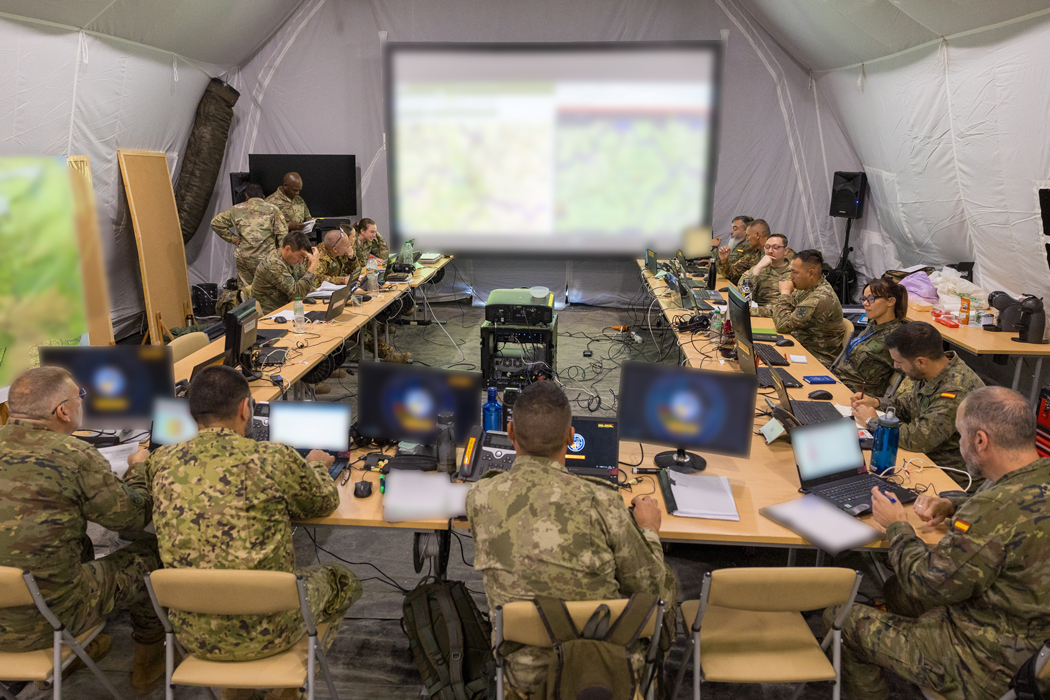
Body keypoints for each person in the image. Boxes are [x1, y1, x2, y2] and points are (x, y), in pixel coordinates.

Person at [144, 366, 362, 700]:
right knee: (341, 581)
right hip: (271, 631)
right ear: (246, 408)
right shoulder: (273, 458)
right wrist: (316, 463)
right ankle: (288, 687)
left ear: (191, 414)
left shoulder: (160, 461)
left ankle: (237, 691)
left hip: (193, 636)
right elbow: (324, 500)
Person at [825, 386, 1050, 700]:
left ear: (981, 440)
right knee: (895, 592)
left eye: (960, 435)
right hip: (1035, 649)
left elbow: (926, 583)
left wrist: (897, 525)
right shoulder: (1031, 479)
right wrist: (953, 503)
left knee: (841, 616)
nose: (959, 444)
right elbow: (1010, 512)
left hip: (986, 665)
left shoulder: (990, 513)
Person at [466, 382, 677, 698]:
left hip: (523, 677)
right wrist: (648, 530)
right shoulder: (601, 502)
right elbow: (651, 587)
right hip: (604, 674)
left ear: (510, 432)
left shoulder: (480, 496)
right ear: (570, 437)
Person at [0, 367, 166, 694]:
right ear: (63, 411)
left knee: (78, 540)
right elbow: (131, 516)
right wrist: (138, 469)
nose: (81, 403)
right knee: (148, 552)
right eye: (80, 397)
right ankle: (149, 658)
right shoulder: (74, 456)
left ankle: (75, 654)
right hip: (51, 617)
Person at [851, 321, 984, 484]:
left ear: (921, 362)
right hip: (923, 460)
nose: (895, 366)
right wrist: (877, 403)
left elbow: (919, 439)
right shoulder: (929, 372)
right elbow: (908, 406)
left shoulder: (955, 390)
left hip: (950, 476)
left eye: (899, 362)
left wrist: (872, 421)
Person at [831, 278, 908, 397]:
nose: (865, 303)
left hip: (858, 396)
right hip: (839, 382)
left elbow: (906, 379)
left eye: (871, 299)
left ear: (890, 301)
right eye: (864, 299)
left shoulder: (897, 338)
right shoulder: (873, 324)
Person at [771, 249, 845, 366]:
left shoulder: (819, 298)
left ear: (811, 273)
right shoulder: (807, 288)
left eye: (794, 272)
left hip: (816, 359)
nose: (790, 277)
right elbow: (782, 309)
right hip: (799, 346)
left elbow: (782, 326)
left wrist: (785, 293)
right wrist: (753, 311)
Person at [211, 183, 288, 288]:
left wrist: (233, 238)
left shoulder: (235, 209)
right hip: (267, 259)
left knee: (246, 292)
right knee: (268, 291)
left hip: (244, 259)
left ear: (246, 196)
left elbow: (215, 223)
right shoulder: (273, 209)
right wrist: (282, 256)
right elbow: (282, 234)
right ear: (263, 196)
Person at [251, 230, 320, 315]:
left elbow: (310, 286)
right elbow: (297, 294)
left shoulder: (292, 260)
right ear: (287, 249)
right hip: (271, 315)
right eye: (300, 256)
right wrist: (313, 265)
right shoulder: (274, 264)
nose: (301, 261)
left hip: (288, 309)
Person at [740, 233, 795, 317]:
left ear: (786, 250)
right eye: (767, 247)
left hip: (784, 318)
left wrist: (754, 311)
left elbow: (793, 306)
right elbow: (741, 297)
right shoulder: (758, 268)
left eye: (775, 247)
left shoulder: (795, 272)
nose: (770, 251)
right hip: (760, 318)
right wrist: (757, 269)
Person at [719, 218, 769, 284]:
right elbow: (732, 273)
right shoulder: (754, 254)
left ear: (757, 235)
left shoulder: (777, 253)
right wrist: (724, 261)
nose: (747, 239)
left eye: (748, 235)